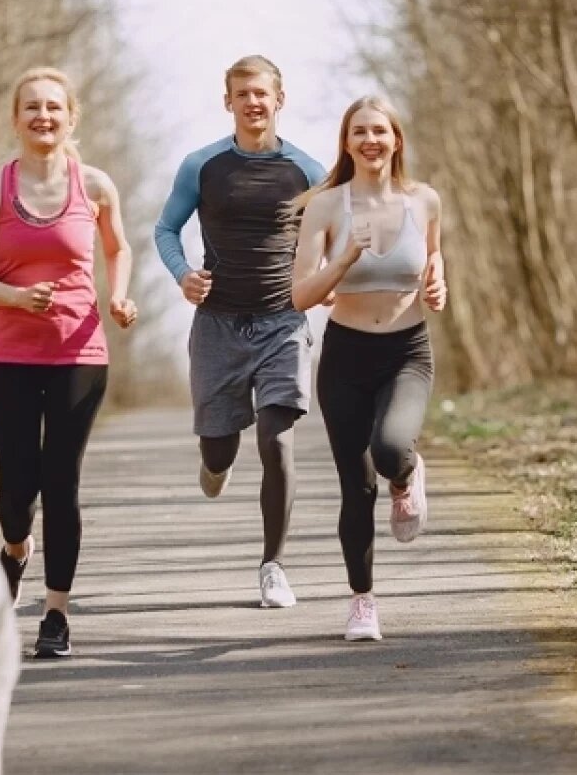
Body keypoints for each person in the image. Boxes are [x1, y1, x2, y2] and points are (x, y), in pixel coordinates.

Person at [0, 66, 138, 659]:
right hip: (7, 354)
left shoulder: (97, 187)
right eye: (31, 107)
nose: (43, 116)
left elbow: (119, 247)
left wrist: (118, 295)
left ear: (71, 117)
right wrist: (14, 297)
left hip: (79, 353)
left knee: (62, 484)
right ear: (16, 119)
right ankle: (15, 550)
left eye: (54, 107)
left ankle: (55, 613)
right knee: (16, 491)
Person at [154, 55, 325, 608]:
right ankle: (214, 461)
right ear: (228, 102)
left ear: (281, 99)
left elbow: (334, 234)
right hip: (219, 325)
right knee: (220, 448)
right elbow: (166, 229)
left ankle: (273, 565)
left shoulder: (308, 171)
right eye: (242, 94)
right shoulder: (202, 165)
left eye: (262, 93)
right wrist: (183, 276)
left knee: (276, 440)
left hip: (283, 323)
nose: (254, 102)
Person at [289, 95, 447, 641]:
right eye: (360, 132)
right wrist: (342, 262)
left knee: (389, 449)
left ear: (396, 139)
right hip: (345, 358)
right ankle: (363, 602)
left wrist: (438, 279)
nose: (371, 140)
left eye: (380, 131)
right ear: (347, 141)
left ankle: (406, 473)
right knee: (355, 487)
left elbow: (432, 253)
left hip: (407, 351)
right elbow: (299, 295)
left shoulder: (423, 200)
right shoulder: (327, 207)